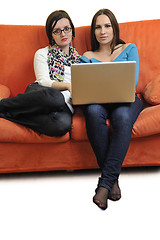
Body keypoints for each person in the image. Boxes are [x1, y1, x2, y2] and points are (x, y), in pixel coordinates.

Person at [81, 9, 143, 210]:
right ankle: (112, 181)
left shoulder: (129, 49)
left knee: (122, 118)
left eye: (107, 25)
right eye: (98, 27)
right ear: (93, 31)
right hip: (98, 101)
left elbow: (131, 83)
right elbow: (85, 86)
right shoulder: (87, 56)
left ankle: (105, 184)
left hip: (126, 100)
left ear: (114, 27)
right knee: (91, 111)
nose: (102, 31)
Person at [0, 10, 81, 137]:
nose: (63, 33)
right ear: (51, 35)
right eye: (57, 31)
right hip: (42, 95)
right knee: (56, 98)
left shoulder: (80, 61)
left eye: (66, 29)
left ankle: (5, 113)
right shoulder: (42, 53)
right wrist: (67, 86)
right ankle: (2, 104)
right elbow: (43, 81)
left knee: (62, 125)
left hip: (64, 106)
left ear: (72, 31)